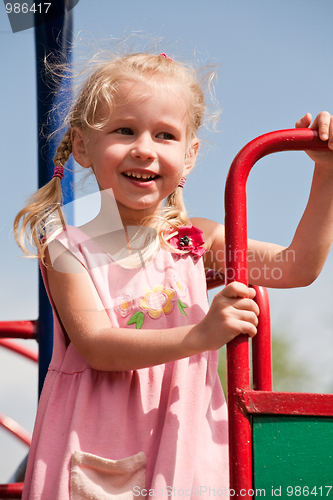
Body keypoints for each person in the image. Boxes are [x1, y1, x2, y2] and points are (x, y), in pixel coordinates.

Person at [14, 52, 333, 499]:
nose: (144, 147)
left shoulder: (196, 242)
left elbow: (296, 266)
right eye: (124, 130)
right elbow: (98, 345)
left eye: (165, 135)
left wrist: (326, 175)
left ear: (188, 155)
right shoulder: (68, 245)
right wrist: (201, 335)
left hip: (185, 441)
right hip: (96, 444)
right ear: (83, 146)